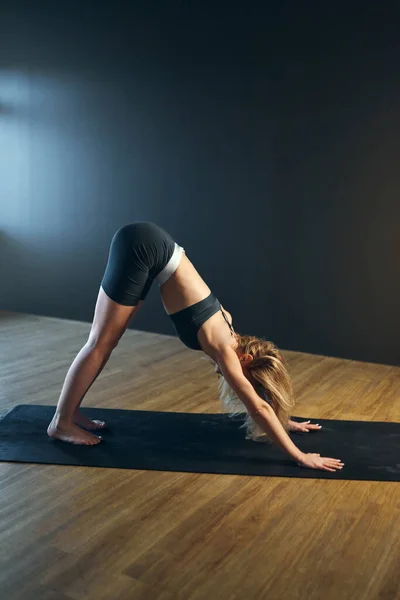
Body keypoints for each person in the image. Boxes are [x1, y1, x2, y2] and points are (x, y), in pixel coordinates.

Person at [47, 222, 344, 473]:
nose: (233, 380)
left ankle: (71, 413)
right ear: (247, 357)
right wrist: (300, 456)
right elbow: (258, 406)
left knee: (104, 342)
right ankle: (61, 423)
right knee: (100, 343)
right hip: (144, 246)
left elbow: (260, 400)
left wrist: (282, 419)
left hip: (152, 246)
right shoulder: (225, 347)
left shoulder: (228, 326)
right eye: (246, 375)